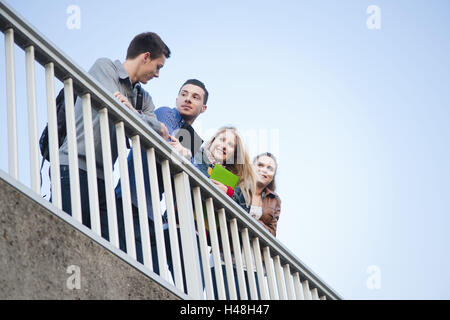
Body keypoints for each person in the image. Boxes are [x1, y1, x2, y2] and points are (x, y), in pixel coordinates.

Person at [57, 32, 171, 241]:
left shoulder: (143, 97)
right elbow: (116, 108)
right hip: (74, 166)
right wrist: (137, 116)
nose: (157, 74)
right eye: (158, 66)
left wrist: (134, 114)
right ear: (145, 57)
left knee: (105, 244)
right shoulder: (105, 68)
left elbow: (157, 130)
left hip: (102, 178)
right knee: (65, 237)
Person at [115, 79, 208, 275]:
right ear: (177, 98)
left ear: (203, 107)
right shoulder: (166, 113)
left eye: (195, 97)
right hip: (129, 201)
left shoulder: (194, 140)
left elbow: (200, 177)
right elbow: (170, 146)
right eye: (184, 94)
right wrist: (186, 156)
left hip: (149, 212)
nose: (188, 99)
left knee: (153, 274)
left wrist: (188, 155)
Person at [250, 152, 281, 237]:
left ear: (273, 176)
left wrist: (255, 222)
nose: (264, 170)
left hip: (255, 248)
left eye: (270, 168)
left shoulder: (275, 200)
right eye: (260, 165)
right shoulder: (238, 187)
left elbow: (272, 233)